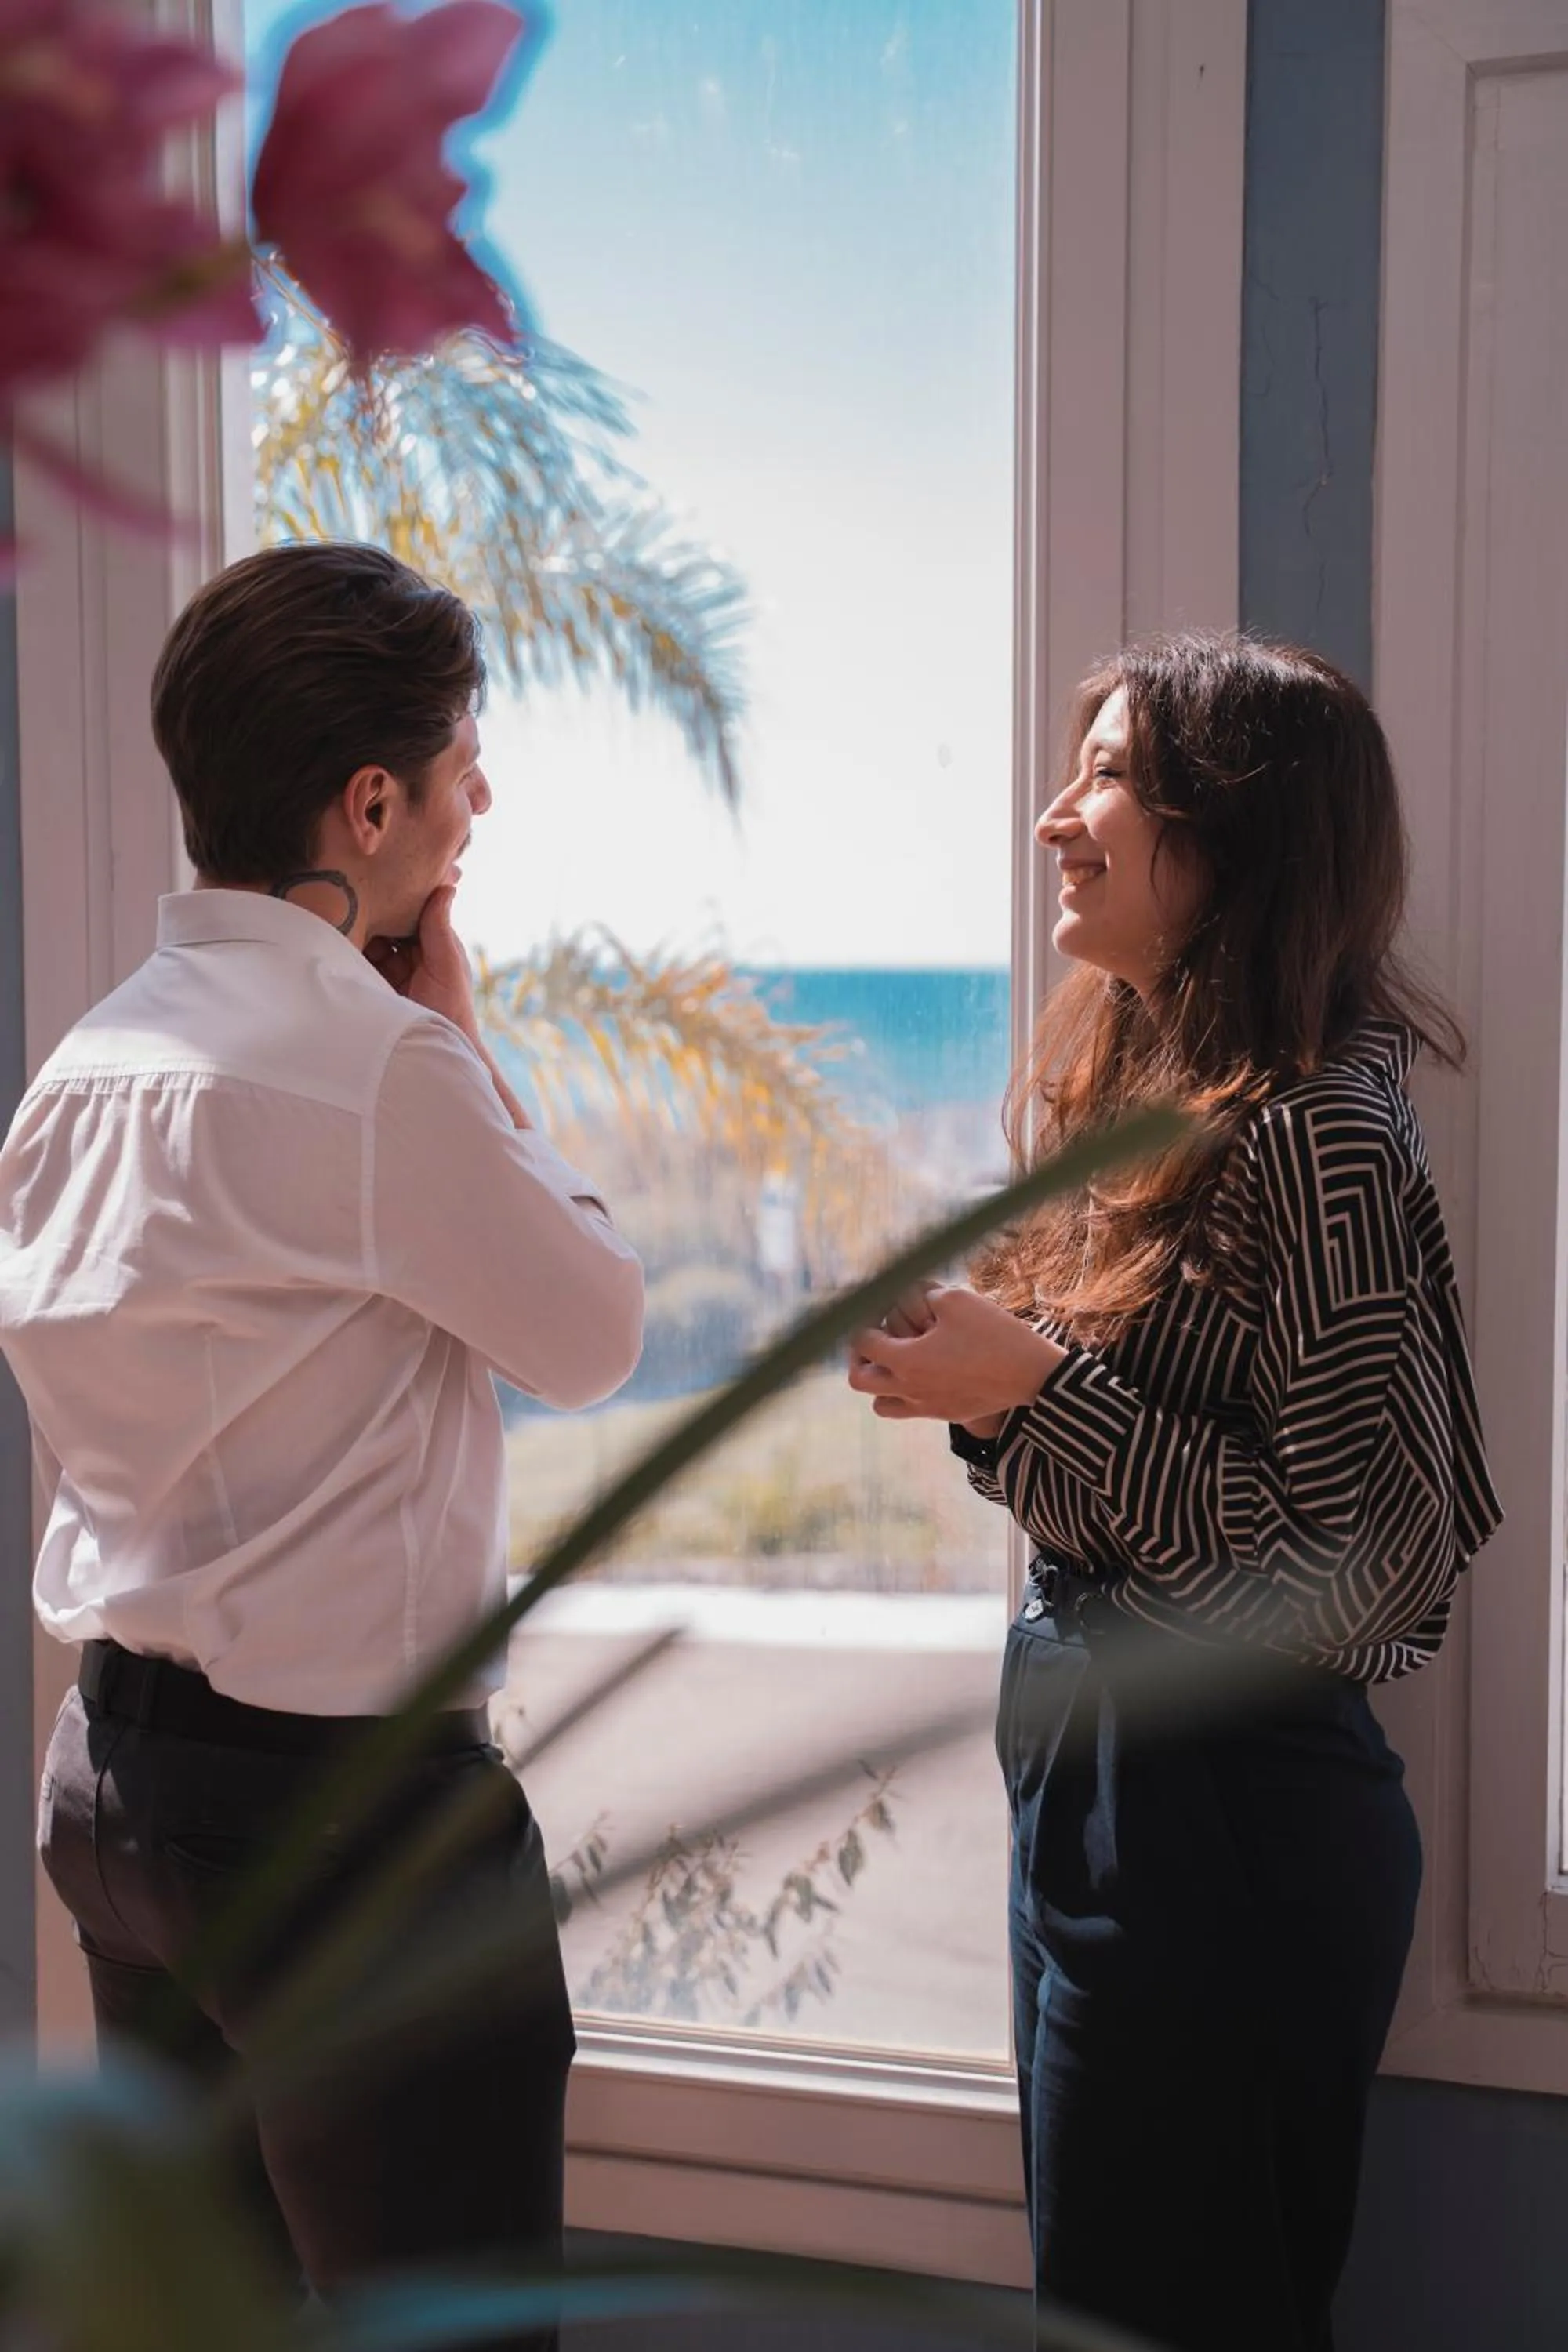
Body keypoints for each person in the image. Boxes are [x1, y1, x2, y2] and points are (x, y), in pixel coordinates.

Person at [0, 541, 644, 2344]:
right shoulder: (377, 1064)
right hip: (346, 1828)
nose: (477, 802)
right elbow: (593, 1334)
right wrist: (457, 1037)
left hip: (117, 1800)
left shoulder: (76, 1072)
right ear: (369, 802)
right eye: (457, 769)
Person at [845, 634, 1501, 2352]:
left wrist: (1033, 1388)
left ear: (1236, 830)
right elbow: (1138, 1466)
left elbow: (1372, 1576)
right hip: (1098, 1772)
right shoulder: (1149, 1093)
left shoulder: (1318, 1136)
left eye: (1109, 777)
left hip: (1228, 1815)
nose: (1058, 815)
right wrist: (971, 1383)